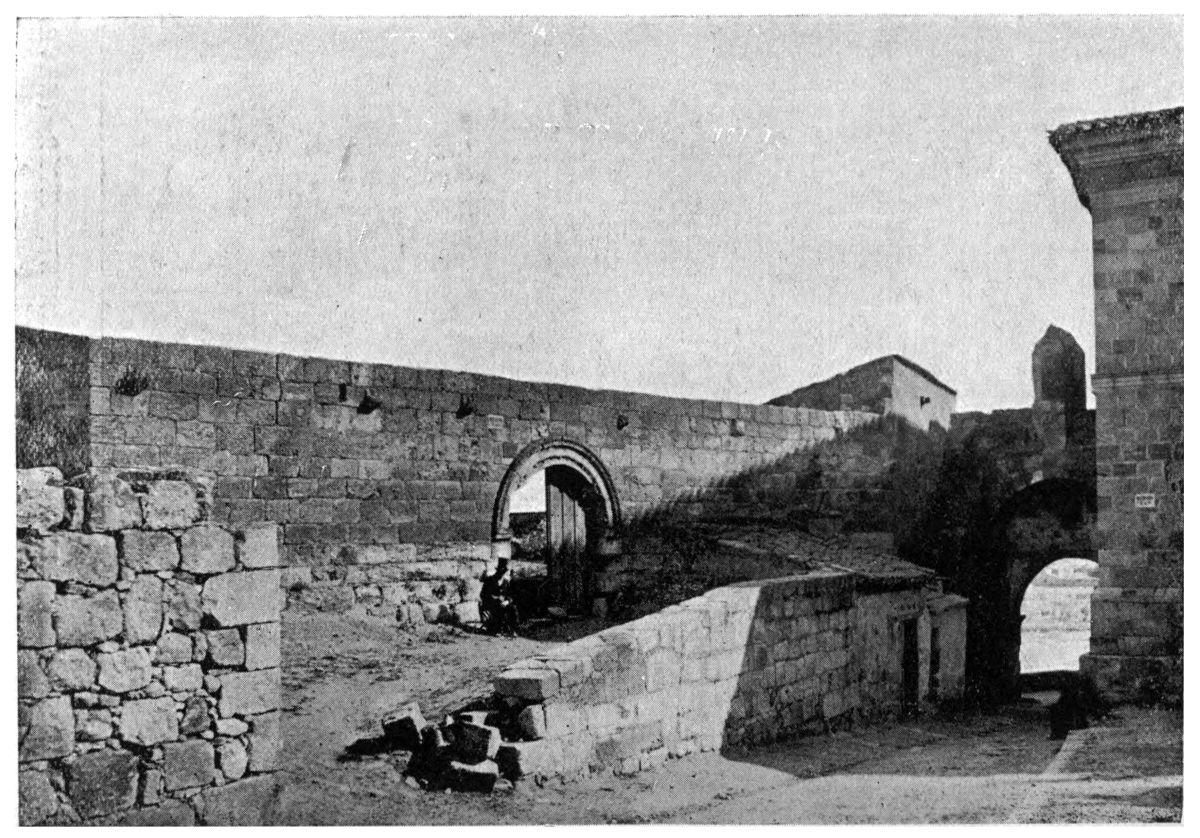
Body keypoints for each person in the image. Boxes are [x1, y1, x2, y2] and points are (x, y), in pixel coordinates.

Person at [480, 558, 519, 636]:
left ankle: (513, 629)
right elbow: (483, 594)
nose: (502, 572)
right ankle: (498, 630)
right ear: (497, 570)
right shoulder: (490, 580)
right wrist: (495, 598)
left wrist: (507, 601)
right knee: (498, 606)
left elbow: (510, 595)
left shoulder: (506, 582)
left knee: (513, 608)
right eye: (501, 570)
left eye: (504, 571)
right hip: (490, 604)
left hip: (502, 603)